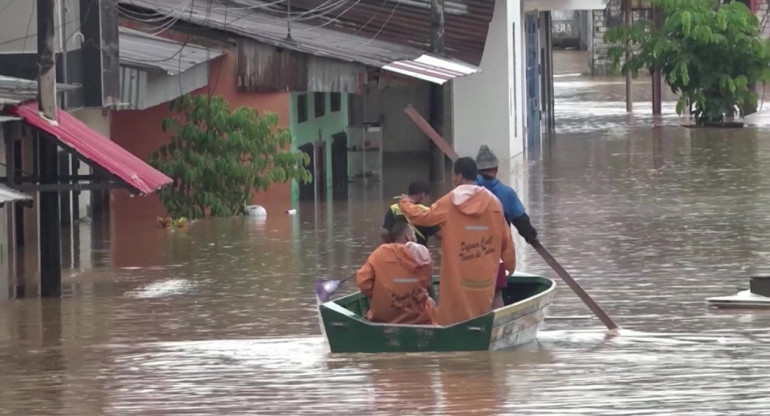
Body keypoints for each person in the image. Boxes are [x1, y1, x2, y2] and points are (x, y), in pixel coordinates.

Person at [398, 157, 516, 325]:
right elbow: (506, 239)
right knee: (486, 308)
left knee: (454, 315)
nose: (452, 180)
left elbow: (422, 217)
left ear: (459, 176)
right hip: (484, 277)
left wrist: (405, 204)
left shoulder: (449, 202)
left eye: (453, 176)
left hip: (457, 276)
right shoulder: (494, 204)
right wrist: (510, 265)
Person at [475, 145, 539, 308]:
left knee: (472, 294)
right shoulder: (506, 193)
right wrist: (531, 236)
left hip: (469, 253)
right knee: (497, 294)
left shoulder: (467, 192)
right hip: (495, 254)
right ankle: (498, 325)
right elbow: (521, 220)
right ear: (496, 169)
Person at [356, 220, 435, 324]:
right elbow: (427, 283)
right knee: (431, 303)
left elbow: (363, 284)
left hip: (382, 319)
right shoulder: (421, 254)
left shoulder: (379, 253)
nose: (416, 239)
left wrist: (382, 294)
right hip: (418, 321)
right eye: (414, 236)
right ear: (408, 236)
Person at [381, 180, 441, 247]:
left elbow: (385, 232)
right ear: (423, 195)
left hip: (397, 250)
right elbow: (439, 234)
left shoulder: (393, 208)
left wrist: (391, 244)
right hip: (418, 251)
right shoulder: (425, 211)